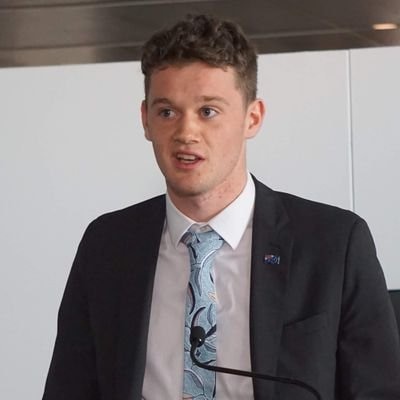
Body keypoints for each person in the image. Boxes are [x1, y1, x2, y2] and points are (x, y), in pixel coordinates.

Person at [42, 14, 400, 400]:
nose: (185, 132)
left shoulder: (333, 244)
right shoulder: (108, 246)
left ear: (252, 117)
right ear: (145, 121)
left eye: (208, 111)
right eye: (167, 112)